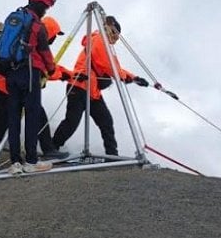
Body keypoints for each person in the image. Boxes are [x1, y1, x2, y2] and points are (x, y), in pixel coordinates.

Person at [52, 16, 149, 158]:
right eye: (115, 35)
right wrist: (124, 77)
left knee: (106, 121)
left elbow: (114, 67)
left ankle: (112, 154)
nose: (115, 40)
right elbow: (109, 66)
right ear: (109, 28)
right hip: (79, 86)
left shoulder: (103, 43)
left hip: (92, 91)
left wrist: (133, 78)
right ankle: (53, 147)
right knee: (72, 122)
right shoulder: (99, 40)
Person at [0, 16, 69, 165]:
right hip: (9, 90)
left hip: (8, 87)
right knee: (2, 125)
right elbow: (44, 69)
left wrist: (66, 73)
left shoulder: (26, 41)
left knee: (37, 117)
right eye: (54, 35)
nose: (54, 39)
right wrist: (64, 75)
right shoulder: (36, 47)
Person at [4, 0, 57, 174]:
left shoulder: (13, 18)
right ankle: (32, 161)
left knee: (14, 118)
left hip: (11, 72)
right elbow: (44, 51)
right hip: (30, 72)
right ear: (42, 4)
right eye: (46, 6)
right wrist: (51, 69)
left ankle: (15, 163)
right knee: (32, 116)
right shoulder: (37, 25)